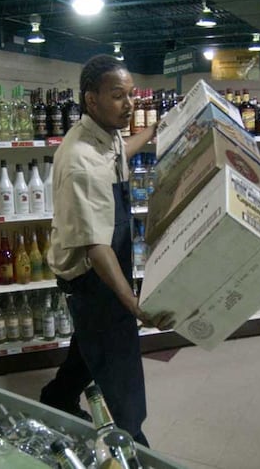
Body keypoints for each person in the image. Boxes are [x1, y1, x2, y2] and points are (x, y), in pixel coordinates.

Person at [40, 54, 174, 447]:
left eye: (131, 94)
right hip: (89, 276)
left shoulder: (104, 133)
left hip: (105, 262)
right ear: (91, 99)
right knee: (117, 360)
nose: (129, 104)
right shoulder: (81, 161)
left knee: (89, 344)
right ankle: (132, 441)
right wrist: (132, 305)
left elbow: (119, 154)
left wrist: (151, 133)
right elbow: (97, 249)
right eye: (118, 96)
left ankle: (57, 397)